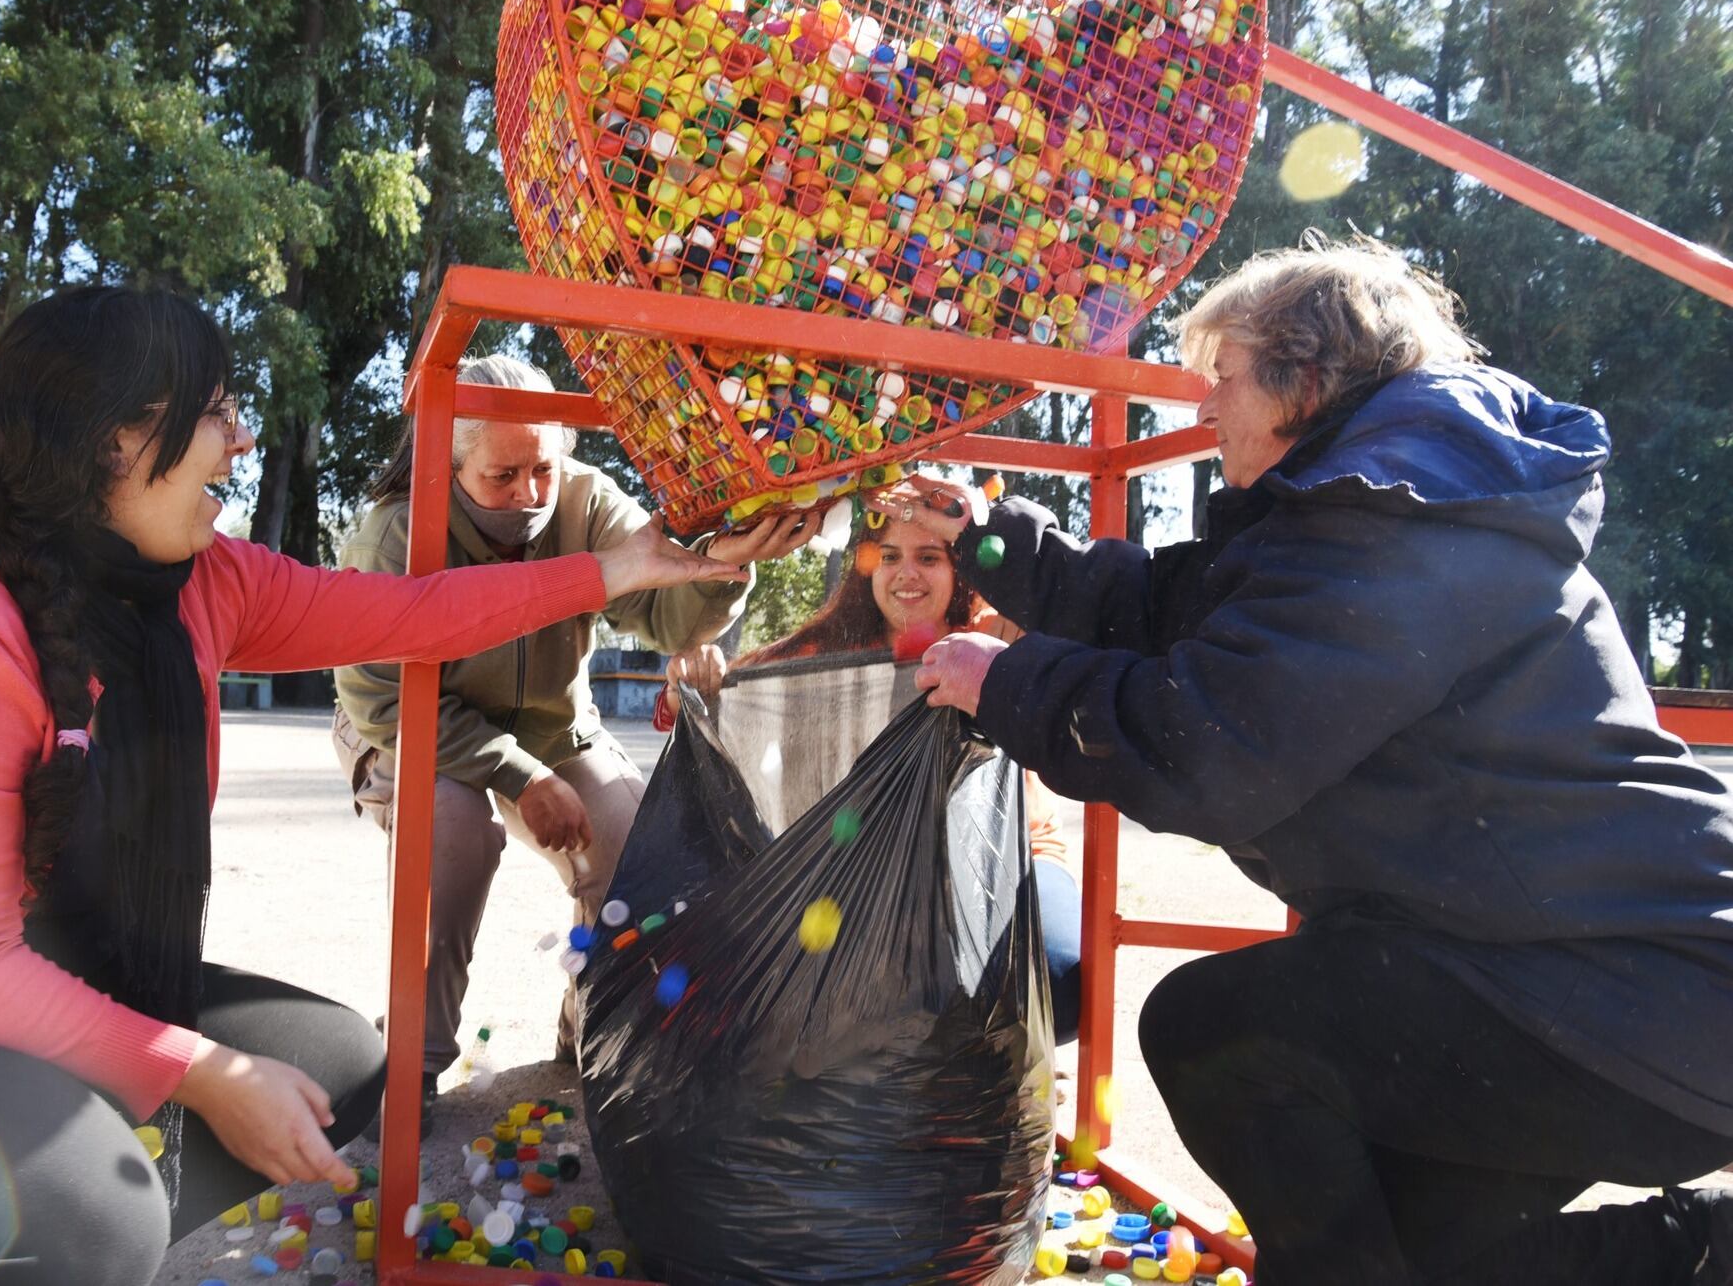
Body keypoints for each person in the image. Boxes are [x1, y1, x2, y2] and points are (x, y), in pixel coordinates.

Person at [0, 288, 742, 1286]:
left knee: (336, 1071)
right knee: (95, 1229)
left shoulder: (206, 581)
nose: (241, 438)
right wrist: (196, 1067)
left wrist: (628, 567)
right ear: (112, 443)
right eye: (216, 412)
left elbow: (413, 613)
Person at [901, 235, 1733, 1285]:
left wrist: (1005, 681)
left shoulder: (1394, 529)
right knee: (1422, 1254)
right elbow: (1162, 609)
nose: (1203, 412)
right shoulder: (1372, 505)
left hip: (1629, 995)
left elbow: (1209, 749)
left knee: (1217, 1032)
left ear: (1303, 381)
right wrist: (987, 542)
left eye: (1222, 380)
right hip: (1591, 979)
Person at [331, 354, 817, 1119]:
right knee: (451, 831)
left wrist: (723, 568)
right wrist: (518, 775)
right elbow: (378, 696)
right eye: (503, 476)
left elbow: (667, 611)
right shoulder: (394, 533)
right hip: (415, 725)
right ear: (452, 465)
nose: (528, 494)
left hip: (557, 728)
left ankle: (596, 1027)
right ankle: (413, 1063)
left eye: (543, 470)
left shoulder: (588, 502)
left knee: (636, 851)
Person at [656, 512, 1084, 1046]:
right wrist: (687, 689)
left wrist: (1024, 651)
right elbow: (725, 702)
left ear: (960, 569)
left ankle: (991, 1068)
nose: (907, 574)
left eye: (929, 557)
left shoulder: (997, 631)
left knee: (1058, 976)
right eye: (889, 557)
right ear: (865, 569)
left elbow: (1077, 658)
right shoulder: (828, 649)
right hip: (873, 870)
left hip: (1014, 856)